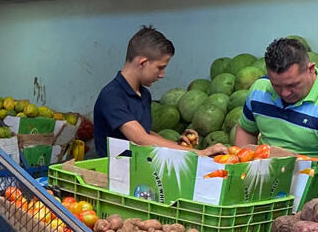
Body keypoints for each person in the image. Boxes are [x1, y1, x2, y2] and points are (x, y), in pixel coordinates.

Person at [93, 26, 226, 157]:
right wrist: (200, 153)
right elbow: (140, 139)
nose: (162, 74)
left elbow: (145, 133)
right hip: (112, 174)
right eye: (160, 67)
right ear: (143, 63)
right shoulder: (111, 96)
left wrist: (176, 146)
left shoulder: (144, 95)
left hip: (139, 170)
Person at [235, 37, 318, 159]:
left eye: (292, 85)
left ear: (310, 69)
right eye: (276, 85)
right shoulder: (259, 89)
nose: (285, 93)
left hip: (310, 176)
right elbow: (246, 130)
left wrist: (290, 162)